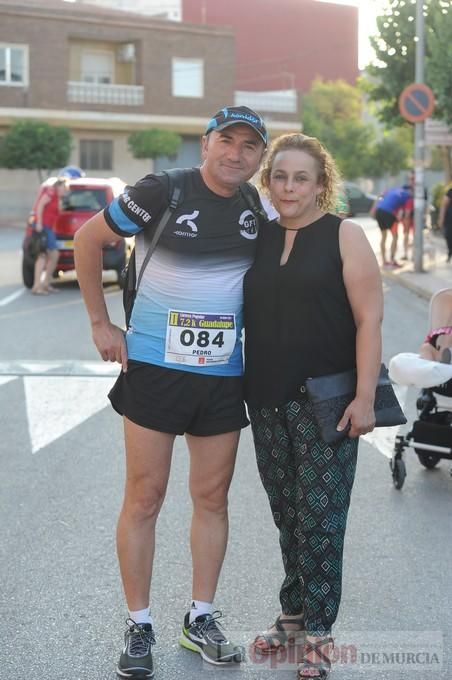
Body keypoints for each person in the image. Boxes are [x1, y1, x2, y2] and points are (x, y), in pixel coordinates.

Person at [73, 105, 267, 678]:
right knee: (145, 497)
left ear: (259, 157)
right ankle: (139, 624)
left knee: (213, 498)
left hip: (223, 374)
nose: (236, 153)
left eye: (249, 146)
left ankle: (200, 618)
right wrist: (100, 324)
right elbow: (89, 239)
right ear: (206, 144)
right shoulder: (164, 190)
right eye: (226, 141)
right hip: (155, 367)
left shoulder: (256, 207)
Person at [243, 133, 383, 679]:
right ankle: (294, 615)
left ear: (321, 184)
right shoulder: (257, 236)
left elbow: (369, 319)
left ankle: (320, 632)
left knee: (322, 520)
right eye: (279, 177)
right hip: (266, 399)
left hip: (328, 400)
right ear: (267, 181)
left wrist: (366, 396)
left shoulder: (345, 235)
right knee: (289, 516)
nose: (289, 187)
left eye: (301, 178)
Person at [31, 177, 68, 294]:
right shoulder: (51, 192)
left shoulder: (57, 197)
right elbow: (40, 206)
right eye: (63, 187)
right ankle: (37, 286)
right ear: (58, 186)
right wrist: (39, 223)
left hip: (49, 228)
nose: (65, 190)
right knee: (44, 255)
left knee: (51, 256)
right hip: (43, 227)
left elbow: (57, 212)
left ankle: (45, 283)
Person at [370, 182, 413, 269]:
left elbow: (379, 196)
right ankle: (392, 260)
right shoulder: (408, 197)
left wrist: (373, 209)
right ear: (410, 191)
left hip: (379, 210)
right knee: (395, 237)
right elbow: (407, 214)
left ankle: (384, 261)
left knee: (383, 236)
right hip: (389, 213)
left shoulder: (392, 190)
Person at [438, 181, 452, 262]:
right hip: (450, 220)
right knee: (449, 237)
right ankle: (450, 252)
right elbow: (444, 205)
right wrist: (441, 218)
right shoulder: (450, 192)